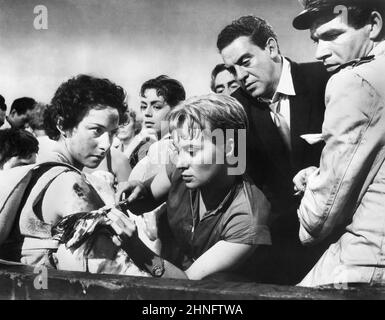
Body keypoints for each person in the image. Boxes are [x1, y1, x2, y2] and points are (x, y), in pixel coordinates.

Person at [217, 15, 330, 284]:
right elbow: (234, 176)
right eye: (232, 70)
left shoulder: (325, 79)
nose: (240, 76)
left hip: (340, 231)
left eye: (246, 62)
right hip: (281, 244)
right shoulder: (234, 110)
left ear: (271, 48)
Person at [0, 74, 149, 277]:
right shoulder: (70, 183)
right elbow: (115, 274)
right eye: (96, 130)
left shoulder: (36, 164)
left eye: (112, 133)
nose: (106, 144)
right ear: (62, 125)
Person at [115, 94, 271, 281]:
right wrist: (136, 189)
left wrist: (135, 247)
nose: (180, 162)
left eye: (191, 151)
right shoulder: (183, 169)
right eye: (177, 149)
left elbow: (186, 286)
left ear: (229, 146)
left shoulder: (248, 219)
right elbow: (142, 201)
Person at [292, 0, 385, 287]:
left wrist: (310, 181)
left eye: (332, 35)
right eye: (316, 40)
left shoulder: (354, 80)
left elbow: (317, 221)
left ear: (374, 25)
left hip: (363, 267)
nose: (319, 52)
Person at [129, 75, 186, 181]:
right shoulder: (148, 143)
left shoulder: (171, 146)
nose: (147, 113)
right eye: (144, 106)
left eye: (156, 107)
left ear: (176, 109)